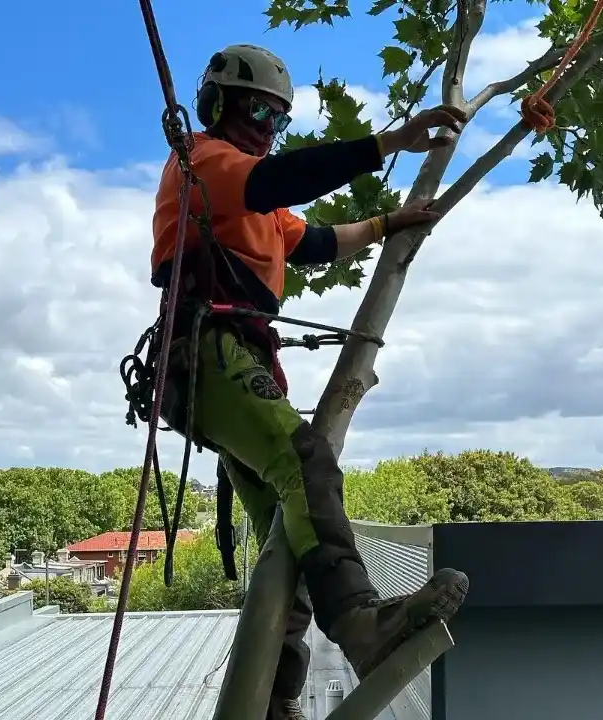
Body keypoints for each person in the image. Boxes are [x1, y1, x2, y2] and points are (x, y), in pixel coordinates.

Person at [150, 44, 469, 720]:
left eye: (277, 119)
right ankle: (360, 623)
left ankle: (270, 696)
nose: (266, 126)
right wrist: (389, 143)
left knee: (287, 542)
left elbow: (316, 240)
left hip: (235, 365)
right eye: (256, 110)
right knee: (307, 461)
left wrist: (388, 225)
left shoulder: (256, 201)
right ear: (218, 107)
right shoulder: (203, 163)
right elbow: (284, 181)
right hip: (209, 355)